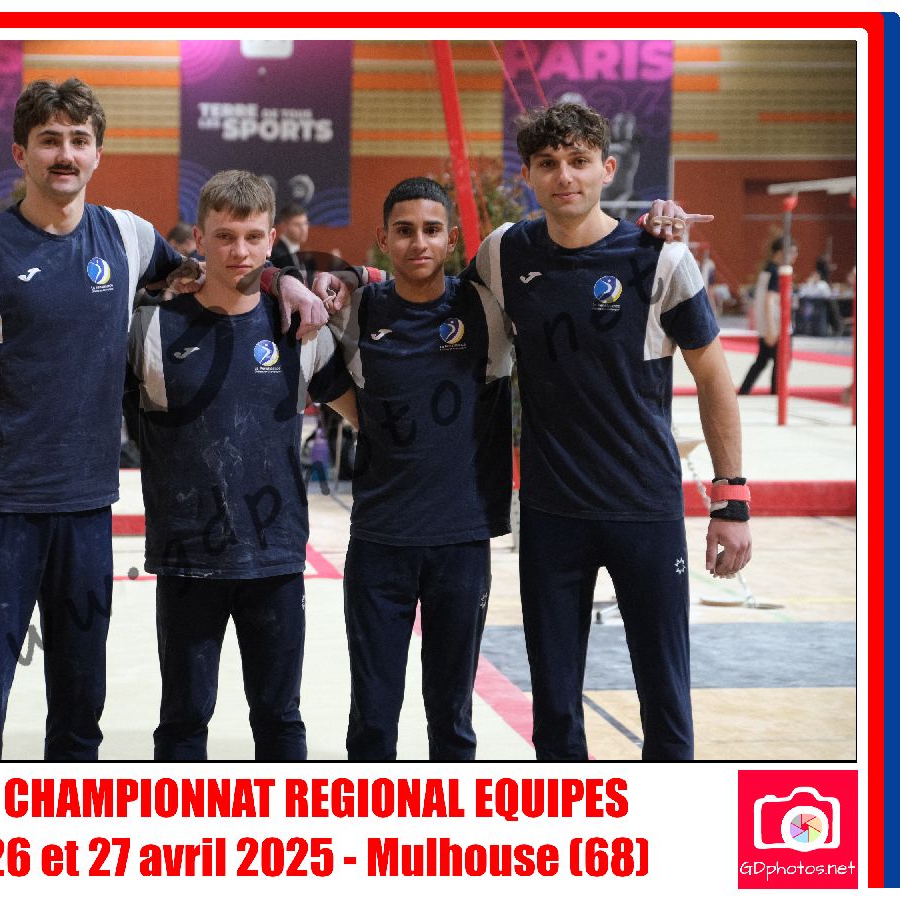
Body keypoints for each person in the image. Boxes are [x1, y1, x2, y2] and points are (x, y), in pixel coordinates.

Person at [0, 79, 327, 761]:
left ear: (98, 153)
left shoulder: (129, 236)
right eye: (49, 140)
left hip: (87, 508)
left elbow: (215, 270)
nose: (65, 154)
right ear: (20, 152)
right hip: (0, 507)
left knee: (82, 708)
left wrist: (282, 277)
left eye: (79, 140)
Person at [463, 102, 751, 760]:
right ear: (527, 176)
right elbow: (435, 305)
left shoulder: (660, 257)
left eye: (579, 161)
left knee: (666, 704)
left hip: (644, 509)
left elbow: (715, 379)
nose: (564, 175)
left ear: (608, 169)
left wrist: (731, 499)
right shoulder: (503, 253)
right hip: (550, 514)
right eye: (547, 163)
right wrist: (343, 282)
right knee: (555, 712)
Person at [125, 170, 355, 761]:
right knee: (182, 720)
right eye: (225, 236)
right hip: (186, 559)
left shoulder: (301, 331)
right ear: (198, 238)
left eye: (254, 237)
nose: (240, 251)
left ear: (272, 239)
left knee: (280, 720)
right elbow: (80, 403)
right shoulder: (150, 328)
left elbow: (371, 421)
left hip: (275, 557)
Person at [326, 177, 514, 761]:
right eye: (404, 231)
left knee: (451, 716)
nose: (418, 243)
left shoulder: (485, 307)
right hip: (380, 540)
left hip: (461, 540)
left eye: (432, 230)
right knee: (372, 717)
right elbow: (325, 374)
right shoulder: (359, 310)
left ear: (452, 239)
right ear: (383, 239)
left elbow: (550, 249)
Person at [739, 237, 795, 394]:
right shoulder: (776, 272)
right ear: (781, 252)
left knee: (762, 360)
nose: (795, 256)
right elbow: (769, 301)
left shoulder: (767, 270)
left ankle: (745, 390)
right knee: (781, 362)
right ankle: (776, 392)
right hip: (776, 325)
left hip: (769, 324)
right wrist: (771, 328)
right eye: (792, 252)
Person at [268, 202, 309, 273]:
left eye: (305, 223)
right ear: (284, 226)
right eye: (297, 225)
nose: (303, 229)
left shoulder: (304, 256)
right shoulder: (276, 255)